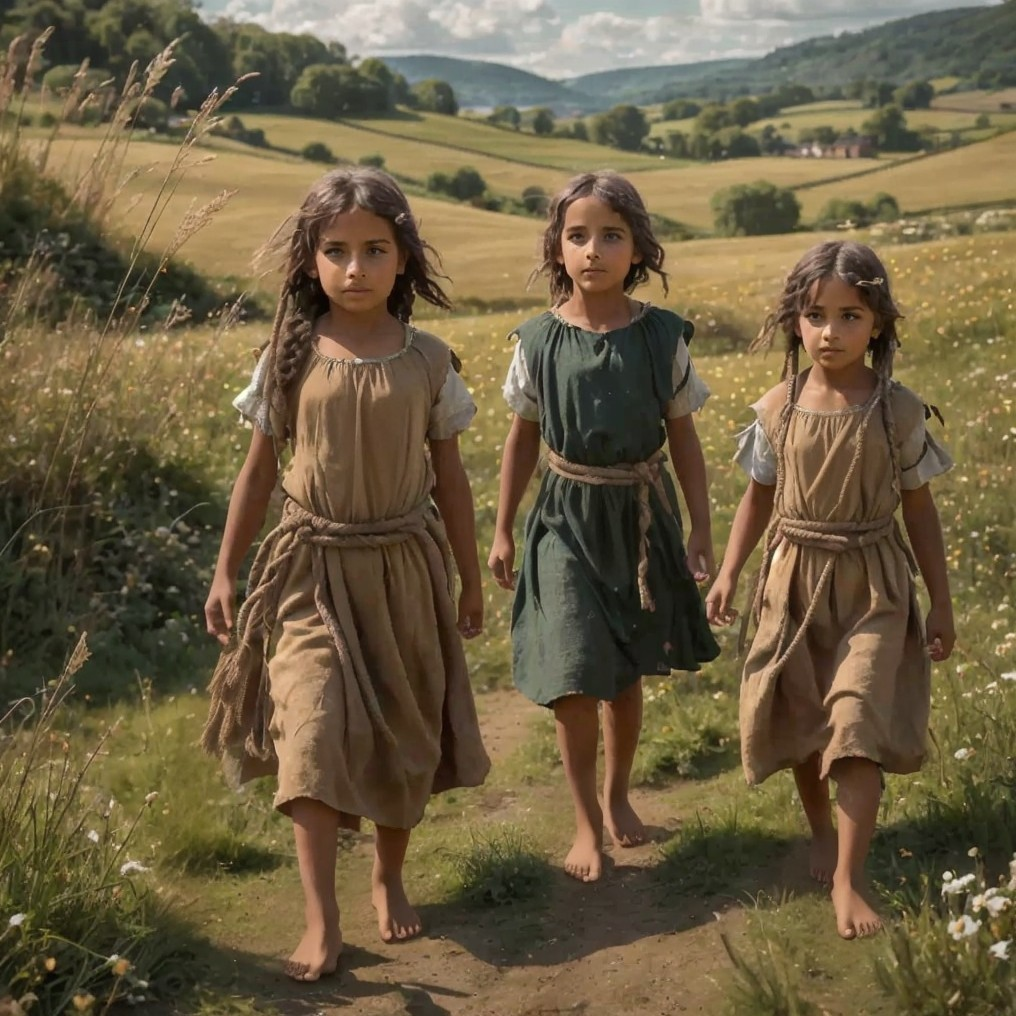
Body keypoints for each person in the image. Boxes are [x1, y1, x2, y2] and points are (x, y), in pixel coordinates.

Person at [201, 167, 490, 981]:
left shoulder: (429, 359)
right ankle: (321, 920)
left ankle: (389, 875)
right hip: (306, 572)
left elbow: (453, 481)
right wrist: (226, 571)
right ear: (310, 260)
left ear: (404, 259)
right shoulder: (287, 357)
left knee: (404, 734)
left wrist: (468, 580)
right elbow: (257, 475)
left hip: (402, 572)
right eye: (336, 251)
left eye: (375, 250)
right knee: (312, 730)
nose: (355, 268)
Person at [705, 240, 954, 940]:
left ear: (878, 324)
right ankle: (820, 829)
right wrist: (728, 573)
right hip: (794, 582)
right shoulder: (777, 409)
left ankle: (849, 876)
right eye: (816, 315)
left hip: (874, 585)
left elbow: (920, 511)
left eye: (851, 316)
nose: (831, 332)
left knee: (854, 727)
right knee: (806, 721)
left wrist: (942, 601)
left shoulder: (896, 411)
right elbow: (757, 499)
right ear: (794, 322)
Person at [488, 171, 720, 883]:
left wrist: (702, 530)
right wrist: (501, 529)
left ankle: (619, 796)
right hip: (563, 515)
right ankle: (585, 823)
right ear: (558, 248)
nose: (593, 250)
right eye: (578, 235)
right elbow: (521, 440)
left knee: (624, 671)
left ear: (637, 247)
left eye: (611, 235)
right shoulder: (537, 341)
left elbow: (683, 439)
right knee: (575, 669)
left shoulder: (660, 339)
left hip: (640, 513)